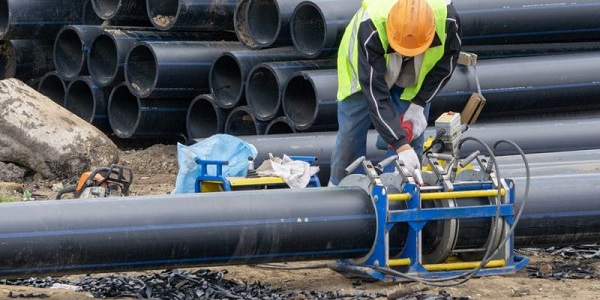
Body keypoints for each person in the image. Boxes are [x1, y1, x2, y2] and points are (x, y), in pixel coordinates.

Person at [328, 0, 462, 186]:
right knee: (350, 135)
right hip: (364, 68)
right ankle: (342, 189)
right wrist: (400, 144)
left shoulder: (447, 20)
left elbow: (446, 63)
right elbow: (376, 96)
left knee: (411, 134)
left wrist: (419, 104)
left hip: (413, 73)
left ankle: (400, 189)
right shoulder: (371, 25)